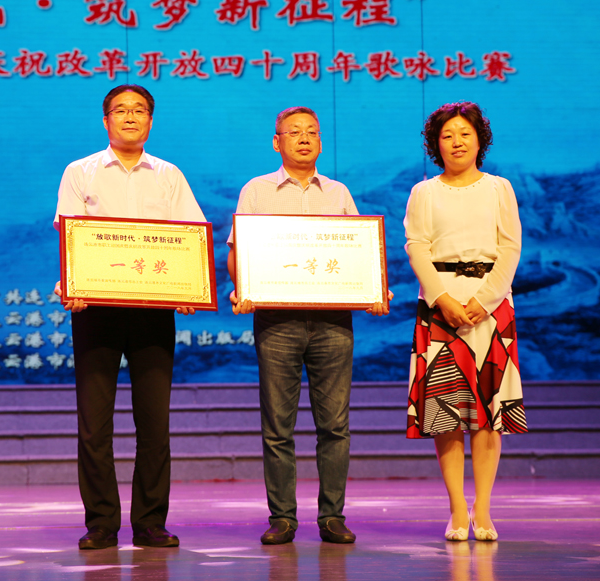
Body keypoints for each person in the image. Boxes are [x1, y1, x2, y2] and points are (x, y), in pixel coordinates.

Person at [227, 106, 391, 545]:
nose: (304, 138)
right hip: (276, 322)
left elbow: (360, 254)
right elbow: (237, 252)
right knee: (277, 428)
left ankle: (332, 517)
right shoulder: (256, 191)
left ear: (320, 141)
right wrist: (243, 288)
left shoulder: (338, 193)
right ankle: (282, 518)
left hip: (332, 323)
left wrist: (374, 289)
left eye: (312, 132)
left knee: (334, 426)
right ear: (276, 142)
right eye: (294, 132)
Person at [53, 84, 205, 550]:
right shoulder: (80, 172)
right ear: (106, 121)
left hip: (152, 313)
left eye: (140, 110)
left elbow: (189, 236)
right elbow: (70, 236)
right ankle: (101, 523)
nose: (131, 117)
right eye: (121, 110)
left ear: (151, 122)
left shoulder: (169, 175)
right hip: (95, 311)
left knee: (154, 424)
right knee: (94, 425)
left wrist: (188, 287)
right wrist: (72, 283)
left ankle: (150, 523)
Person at [403, 101, 527, 542]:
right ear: (435, 144)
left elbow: (509, 247)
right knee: (446, 413)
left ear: (480, 141)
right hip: (439, 309)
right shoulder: (424, 192)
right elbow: (416, 245)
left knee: (489, 414)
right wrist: (442, 298)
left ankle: (484, 509)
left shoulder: (499, 188)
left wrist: (484, 300)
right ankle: (458, 507)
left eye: (465, 134)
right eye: (447, 135)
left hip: (491, 309)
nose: (456, 142)